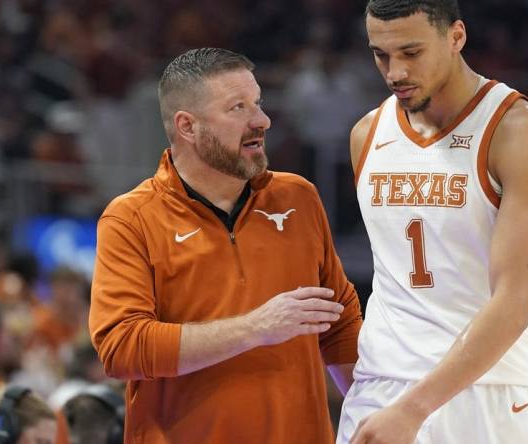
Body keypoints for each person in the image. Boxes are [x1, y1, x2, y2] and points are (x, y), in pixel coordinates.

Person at [89, 47, 363, 443]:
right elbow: (122, 347)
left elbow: (338, 324)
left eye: (258, 103)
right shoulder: (131, 218)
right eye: (238, 108)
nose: (262, 120)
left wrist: (378, 412)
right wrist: (256, 328)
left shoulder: (297, 197)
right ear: (187, 126)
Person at [339, 1, 528, 443]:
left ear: (456, 37)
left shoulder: (518, 131)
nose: (394, 71)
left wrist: (415, 408)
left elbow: (515, 300)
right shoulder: (367, 134)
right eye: (381, 55)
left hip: (490, 392)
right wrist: (370, 394)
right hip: (382, 388)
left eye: (411, 52)